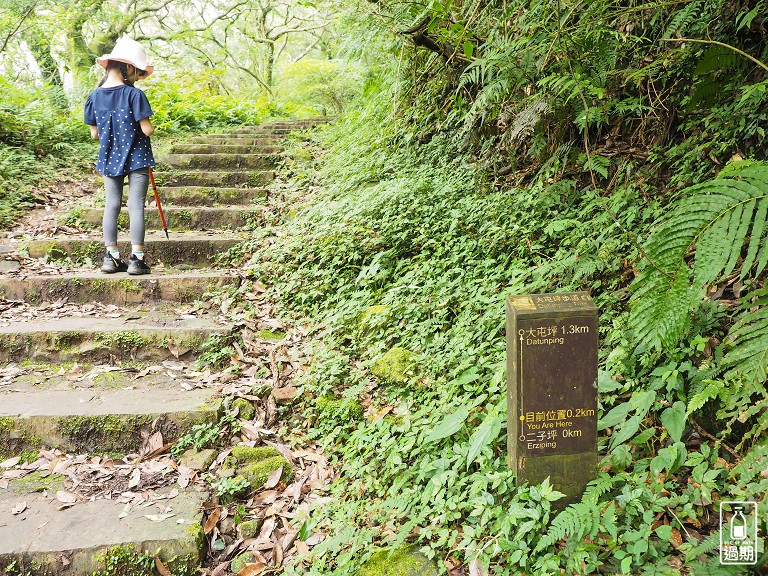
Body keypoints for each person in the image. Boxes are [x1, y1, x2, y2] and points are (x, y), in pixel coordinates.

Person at [84, 37, 155, 275]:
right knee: (136, 205)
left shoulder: (94, 96)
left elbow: (94, 133)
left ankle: (111, 258)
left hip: (109, 157)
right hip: (137, 156)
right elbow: (146, 129)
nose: (137, 78)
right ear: (130, 67)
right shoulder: (135, 95)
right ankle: (136, 259)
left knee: (111, 205)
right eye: (138, 73)